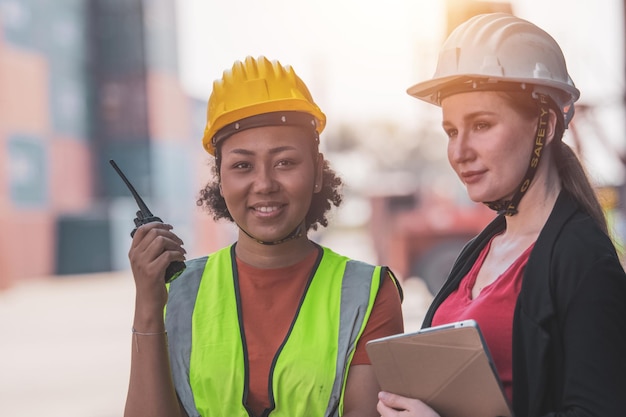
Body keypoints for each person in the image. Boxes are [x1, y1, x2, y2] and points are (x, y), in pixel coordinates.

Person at [123, 55, 404, 417]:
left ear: (317, 172)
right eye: (242, 166)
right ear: (221, 181)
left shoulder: (367, 294)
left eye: (285, 162)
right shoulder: (176, 293)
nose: (264, 184)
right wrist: (147, 307)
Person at [377, 12, 626, 417]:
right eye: (452, 131)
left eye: (481, 125)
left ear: (544, 124)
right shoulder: (481, 251)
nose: (459, 153)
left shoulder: (583, 260)